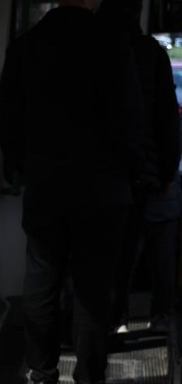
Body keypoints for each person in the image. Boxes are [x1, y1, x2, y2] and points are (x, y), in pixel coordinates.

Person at [0, 0, 144, 384]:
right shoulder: (112, 43)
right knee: (93, 286)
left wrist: (30, 165)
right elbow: (129, 119)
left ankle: (42, 379)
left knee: (42, 279)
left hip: (46, 183)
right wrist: (130, 170)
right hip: (102, 187)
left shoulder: (26, 45)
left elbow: (5, 121)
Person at [101, 0, 181, 333]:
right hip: (150, 170)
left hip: (108, 175)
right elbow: (167, 119)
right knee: (161, 248)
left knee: (116, 256)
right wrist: (166, 171)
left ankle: (115, 318)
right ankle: (161, 314)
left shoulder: (96, 53)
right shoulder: (152, 53)